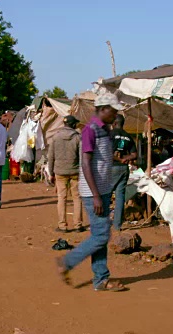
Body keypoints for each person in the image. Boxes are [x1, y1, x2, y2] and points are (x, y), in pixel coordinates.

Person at [56, 92, 127, 292]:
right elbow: (86, 163)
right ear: (103, 109)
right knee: (102, 235)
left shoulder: (105, 130)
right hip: (92, 192)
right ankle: (68, 262)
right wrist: (95, 195)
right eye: (113, 111)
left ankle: (101, 279)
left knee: (100, 234)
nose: (115, 115)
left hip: (103, 190)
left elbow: (101, 159)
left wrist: (120, 159)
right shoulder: (90, 130)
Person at [48, 115, 84, 233]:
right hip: (75, 172)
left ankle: (62, 225)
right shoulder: (78, 138)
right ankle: (78, 225)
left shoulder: (55, 137)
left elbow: (51, 157)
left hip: (60, 172)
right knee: (77, 198)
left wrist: (51, 173)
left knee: (61, 198)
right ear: (73, 125)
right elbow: (81, 157)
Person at [110, 114, 137, 232]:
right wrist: (126, 157)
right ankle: (117, 225)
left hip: (111, 168)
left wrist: (119, 159)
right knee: (120, 196)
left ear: (114, 123)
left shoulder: (109, 135)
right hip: (124, 169)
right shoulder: (128, 137)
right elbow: (135, 155)